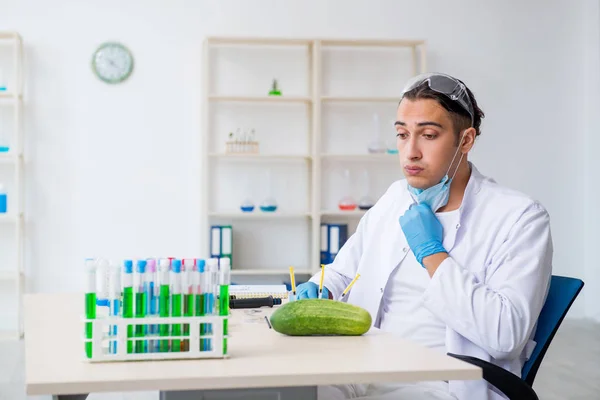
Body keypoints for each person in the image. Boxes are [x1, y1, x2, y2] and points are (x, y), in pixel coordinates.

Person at [296, 73, 553, 400]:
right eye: (402, 135)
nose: (410, 152)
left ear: (466, 140)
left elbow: (506, 333)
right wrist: (321, 287)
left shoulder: (519, 217)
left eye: (428, 135)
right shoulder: (395, 197)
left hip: (442, 383)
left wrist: (432, 253)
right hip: (361, 365)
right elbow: (343, 271)